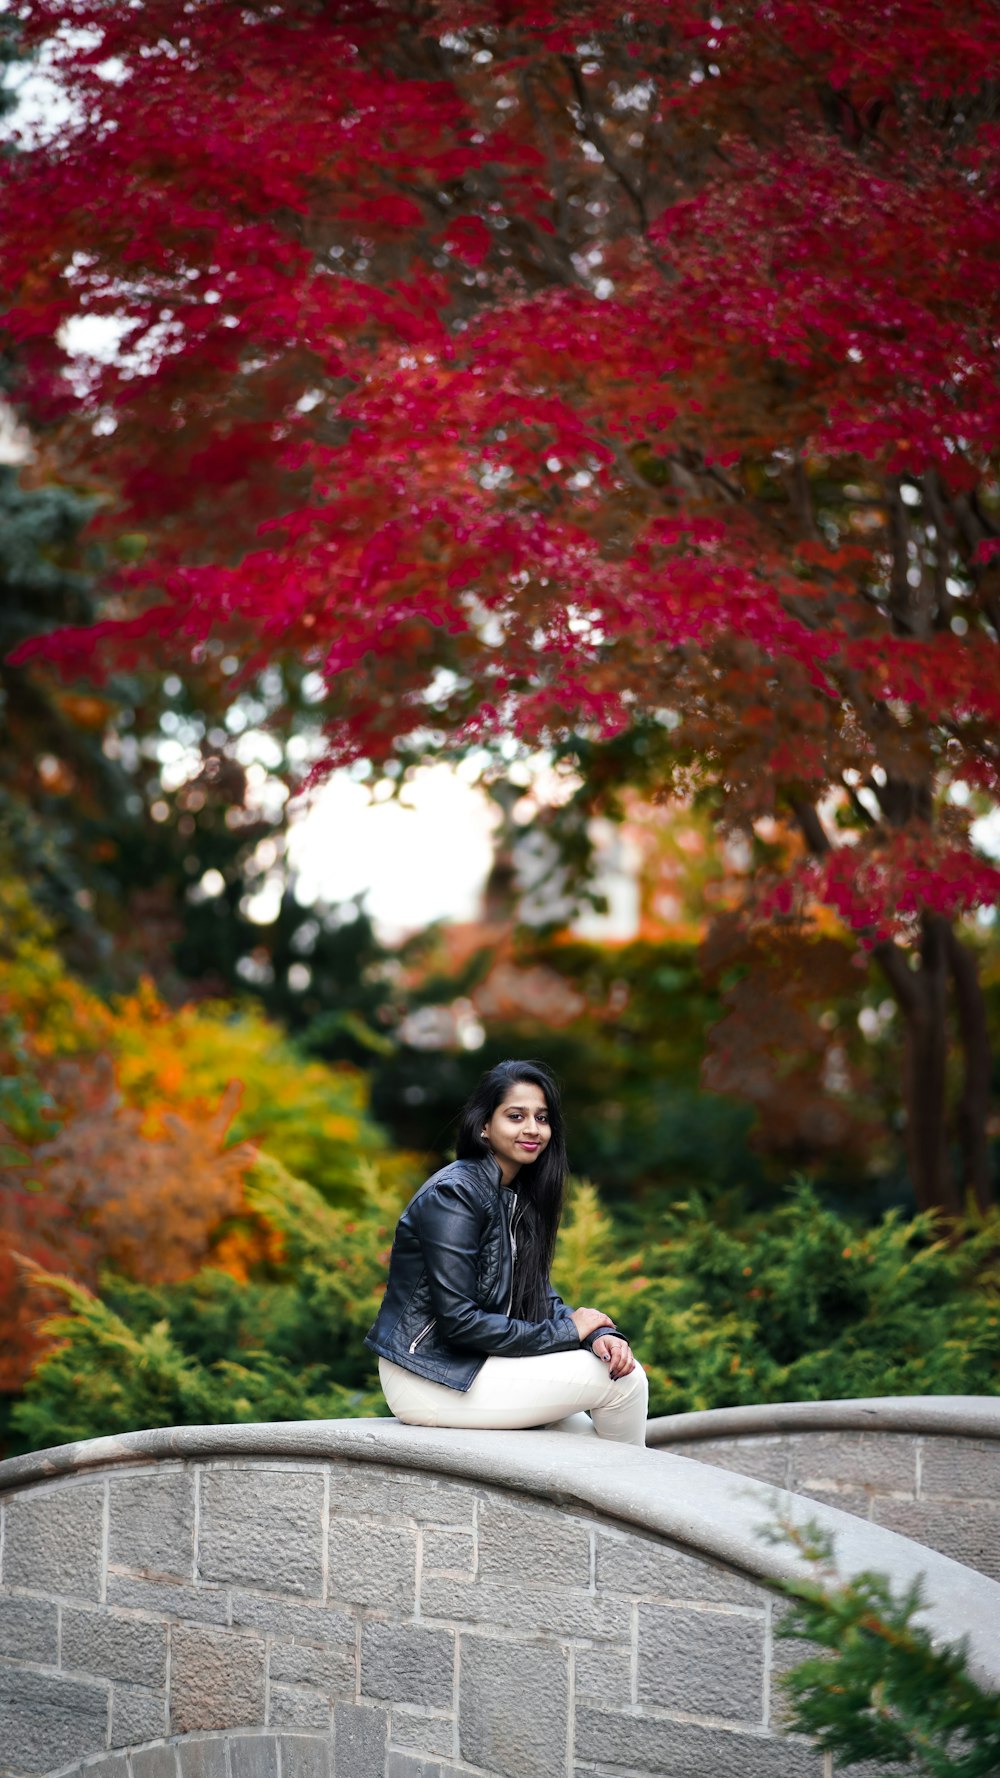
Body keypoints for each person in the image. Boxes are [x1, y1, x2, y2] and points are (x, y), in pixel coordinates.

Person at [365, 1058, 648, 1445]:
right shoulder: (455, 1195)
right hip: (428, 1375)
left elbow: (536, 1296)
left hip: (474, 1368)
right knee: (624, 1381)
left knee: (595, 1439)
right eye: (516, 1116)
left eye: (542, 1118)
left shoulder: (516, 1199)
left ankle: (611, 1503)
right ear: (484, 1126)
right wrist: (570, 1331)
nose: (533, 1129)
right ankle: (630, 1505)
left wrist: (596, 1333)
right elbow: (460, 1322)